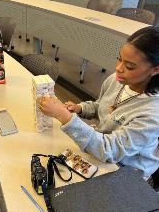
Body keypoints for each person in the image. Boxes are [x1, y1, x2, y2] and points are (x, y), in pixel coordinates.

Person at [39, 26, 159, 179]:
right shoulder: (117, 81)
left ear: (155, 70)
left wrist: (65, 117)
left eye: (129, 66)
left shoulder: (153, 113)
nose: (118, 68)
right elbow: (101, 106)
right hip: (102, 151)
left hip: (128, 171)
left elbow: (110, 151)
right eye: (119, 59)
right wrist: (80, 108)